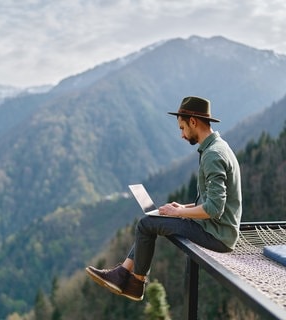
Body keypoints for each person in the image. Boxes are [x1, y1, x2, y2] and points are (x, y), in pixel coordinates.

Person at [86, 96, 242, 301]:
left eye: (182, 127)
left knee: (146, 224)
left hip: (217, 235)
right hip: (217, 229)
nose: (182, 135)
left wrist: (178, 213)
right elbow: (211, 200)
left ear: (193, 121)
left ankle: (135, 282)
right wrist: (181, 207)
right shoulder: (217, 147)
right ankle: (124, 274)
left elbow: (214, 209)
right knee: (153, 219)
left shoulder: (213, 154)